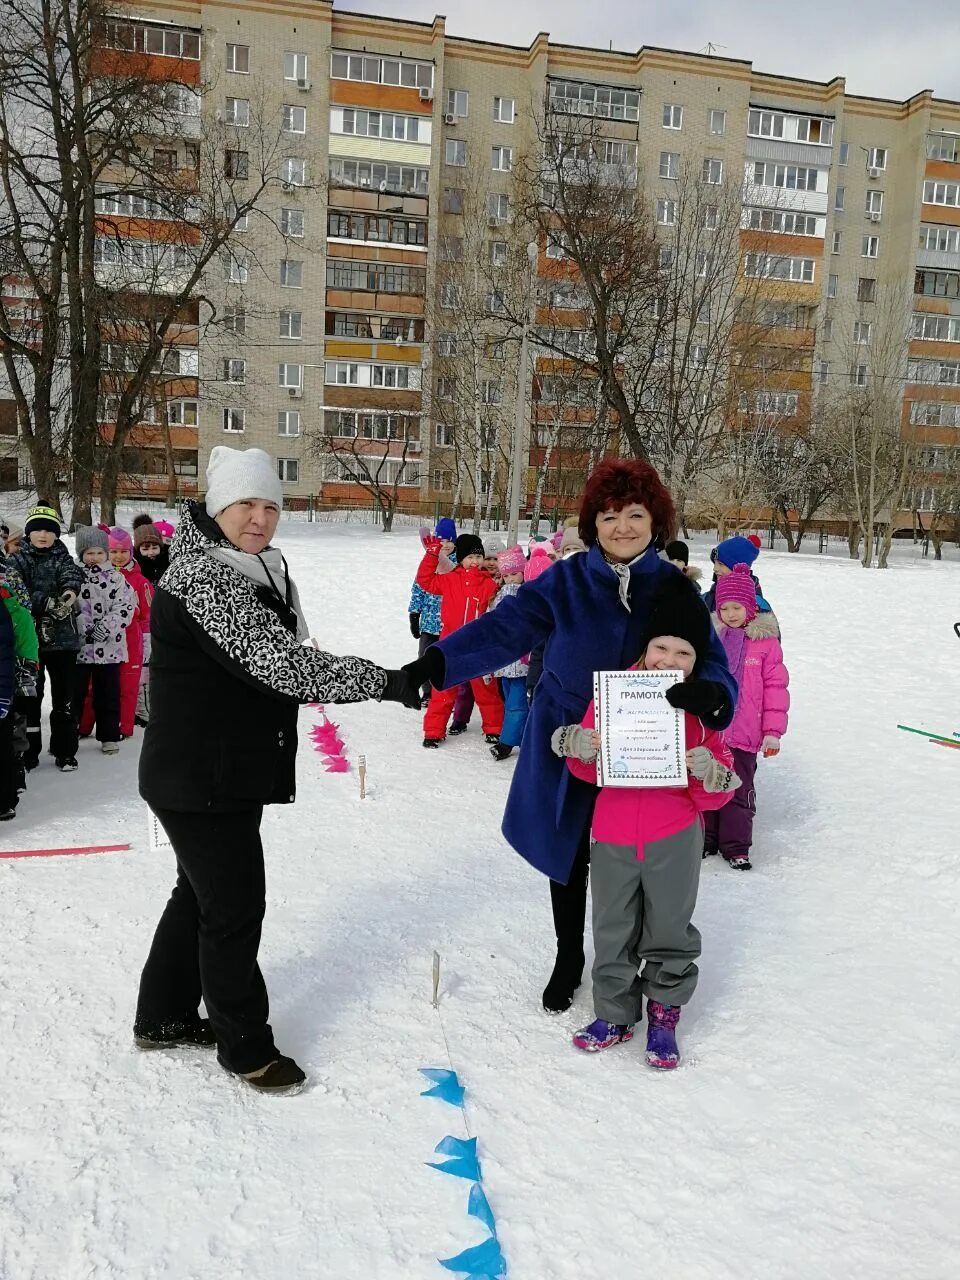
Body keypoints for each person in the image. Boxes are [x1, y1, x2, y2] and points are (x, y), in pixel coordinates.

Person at [402, 460, 737, 1013]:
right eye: (610, 516)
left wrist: (713, 695)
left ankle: (629, 959)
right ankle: (568, 957)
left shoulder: (672, 586)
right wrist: (437, 662)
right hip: (573, 734)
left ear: (655, 521)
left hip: (644, 743)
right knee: (569, 852)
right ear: (593, 523)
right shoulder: (567, 579)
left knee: (631, 854)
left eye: (635, 514)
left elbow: (716, 663)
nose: (623, 527)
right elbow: (505, 629)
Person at [134, 446, 419, 1094]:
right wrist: (388, 681)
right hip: (201, 779)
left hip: (214, 770)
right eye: (245, 505)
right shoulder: (207, 577)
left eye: (270, 506)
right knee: (233, 907)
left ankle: (163, 1015)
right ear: (217, 508)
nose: (259, 518)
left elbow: (275, 656)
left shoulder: (254, 568)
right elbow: (282, 665)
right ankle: (245, 1048)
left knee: (198, 896)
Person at [552, 575, 739, 1067]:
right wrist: (577, 746)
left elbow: (715, 797)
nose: (669, 661)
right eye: (661, 647)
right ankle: (614, 1012)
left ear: (698, 661)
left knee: (669, 927)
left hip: (673, 836)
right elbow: (587, 765)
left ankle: (664, 1010)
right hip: (612, 833)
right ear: (645, 646)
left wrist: (709, 771)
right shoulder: (616, 697)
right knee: (612, 926)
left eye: (684, 653)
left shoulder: (701, 713)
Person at [704, 564, 789, 870]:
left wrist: (772, 732)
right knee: (708, 784)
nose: (730, 613)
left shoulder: (765, 645)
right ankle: (707, 839)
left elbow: (776, 690)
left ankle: (736, 845)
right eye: (724, 607)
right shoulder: (712, 640)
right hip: (712, 733)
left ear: (751, 607)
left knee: (739, 790)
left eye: (737, 606)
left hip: (745, 734)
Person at [9, 504, 84, 771]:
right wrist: (46, 602)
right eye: (37, 529)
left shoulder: (63, 557)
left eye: (49, 530)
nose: (43, 535)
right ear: (28, 533)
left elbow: (73, 575)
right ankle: (29, 752)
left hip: (64, 642)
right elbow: (18, 592)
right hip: (31, 643)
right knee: (31, 699)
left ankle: (65, 750)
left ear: (56, 534)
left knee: (65, 698)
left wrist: (67, 595)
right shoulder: (17, 560)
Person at [417, 532, 503, 748]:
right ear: (461, 558)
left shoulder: (488, 584)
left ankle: (494, 728)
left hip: (478, 646)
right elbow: (425, 580)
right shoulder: (449, 580)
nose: (475, 562)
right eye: (470, 557)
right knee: (443, 689)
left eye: (478, 557)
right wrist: (432, 555)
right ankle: (434, 731)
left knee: (486, 689)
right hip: (451, 645)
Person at [73, 527, 136, 755]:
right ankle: (72, 731)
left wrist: (106, 627)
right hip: (80, 649)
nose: (95, 557)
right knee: (76, 693)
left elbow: (127, 606)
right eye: (89, 553)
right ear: (81, 554)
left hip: (110, 647)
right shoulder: (73, 576)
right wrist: (83, 628)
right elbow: (72, 606)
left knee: (108, 693)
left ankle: (109, 735)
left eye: (100, 552)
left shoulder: (117, 578)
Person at [108, 527, 153, 737]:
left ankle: (124, 726)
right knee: (100, 684)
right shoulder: (102, 577)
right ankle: (91, 724)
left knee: (128, 683)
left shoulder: (140, 581)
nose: (118, 556)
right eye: (113, 552)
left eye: (123, 551)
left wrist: (146, 640)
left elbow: (147, 613)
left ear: (130, 552)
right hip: (105, 638)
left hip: (131, 637)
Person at [408, 518, 455, 706]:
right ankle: (427, 692)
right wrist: (414, 613)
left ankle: (444, 692)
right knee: (425, 657)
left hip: (449, 623)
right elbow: (418, 589)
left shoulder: (459, 565)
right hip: (428, 623)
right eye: (441, 541)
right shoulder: (429, 560)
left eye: (449, 541)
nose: (444, 545)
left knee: (445, 660)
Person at [488, 545, 528, 761]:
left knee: (517, 704)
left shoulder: (527, 592)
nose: (511, 579)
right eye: (506, 575)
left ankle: (506, 743)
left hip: (522, 662)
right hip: (505, 661)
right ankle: (524, 739)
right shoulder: (499, 594)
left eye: (515, 573)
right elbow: (491, 620)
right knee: (510, 701)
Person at [702, 536, 768, 614]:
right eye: (715, 563)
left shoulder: (754, 604)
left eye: (721, 564)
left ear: (738, 568)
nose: (715, 568)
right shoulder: (711, 595)